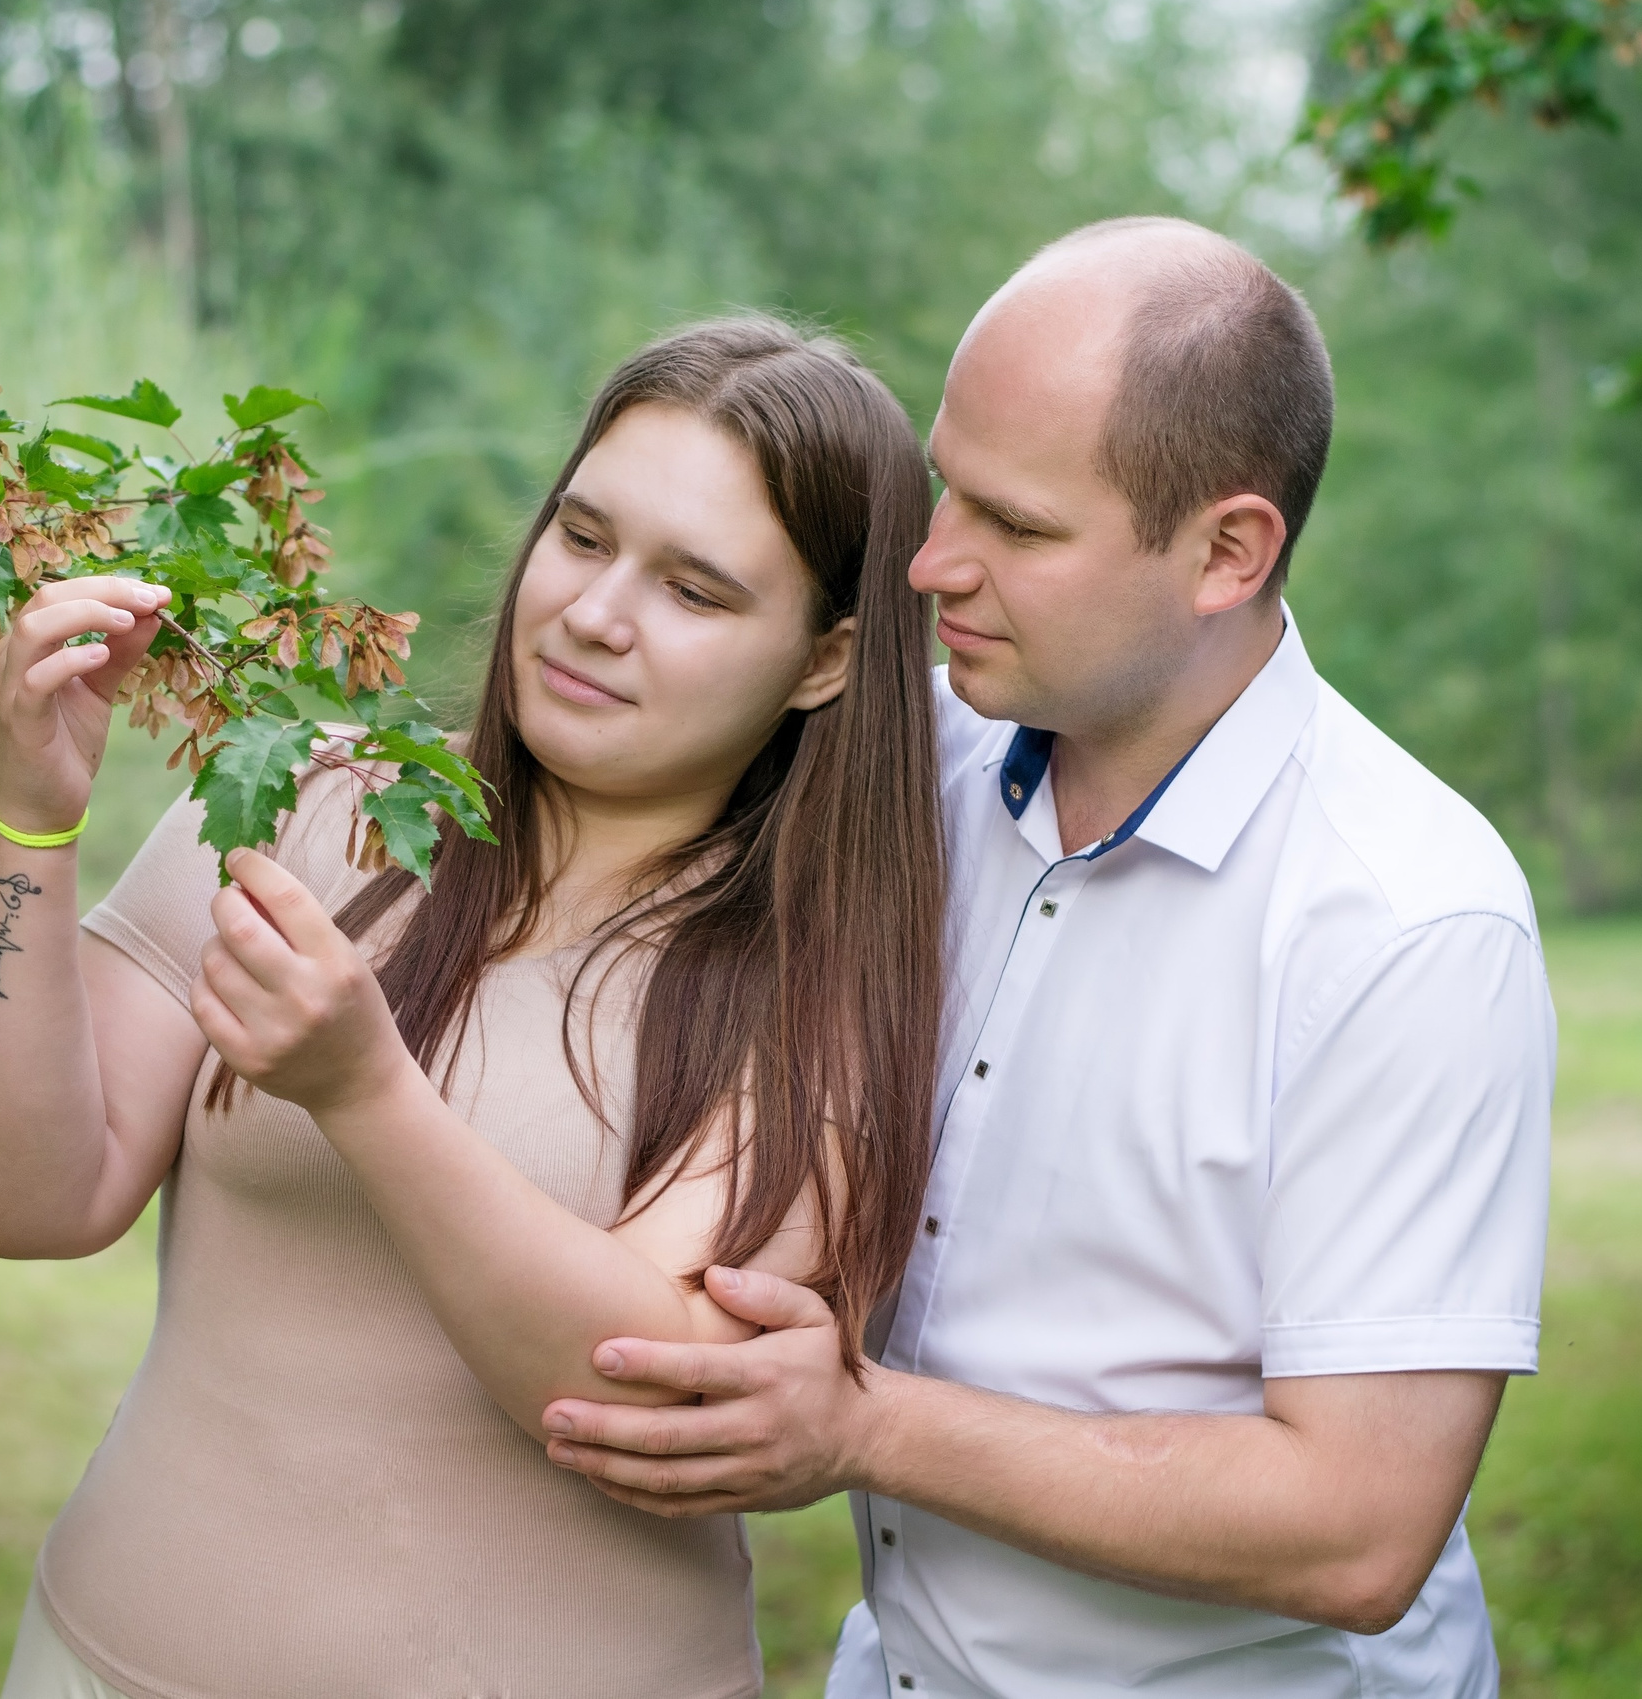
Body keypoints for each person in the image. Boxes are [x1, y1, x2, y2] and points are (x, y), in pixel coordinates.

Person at [538, 218, 1556, 1698]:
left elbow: (1357, 1527)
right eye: (946, 484)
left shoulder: (1407, 923)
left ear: (1227, 553)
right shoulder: (913, 767)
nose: (929, 563)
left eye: (1014, 527)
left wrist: (867, 1427)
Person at [0, 316, 948, 1699]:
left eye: (695, 591)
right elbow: (23, 1202)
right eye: (582, 537)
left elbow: (644, 1392)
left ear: (826, 660)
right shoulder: (307, 798)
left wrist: (367, 1093)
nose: (595, 613)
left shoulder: (818, 978)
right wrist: (33, 820)